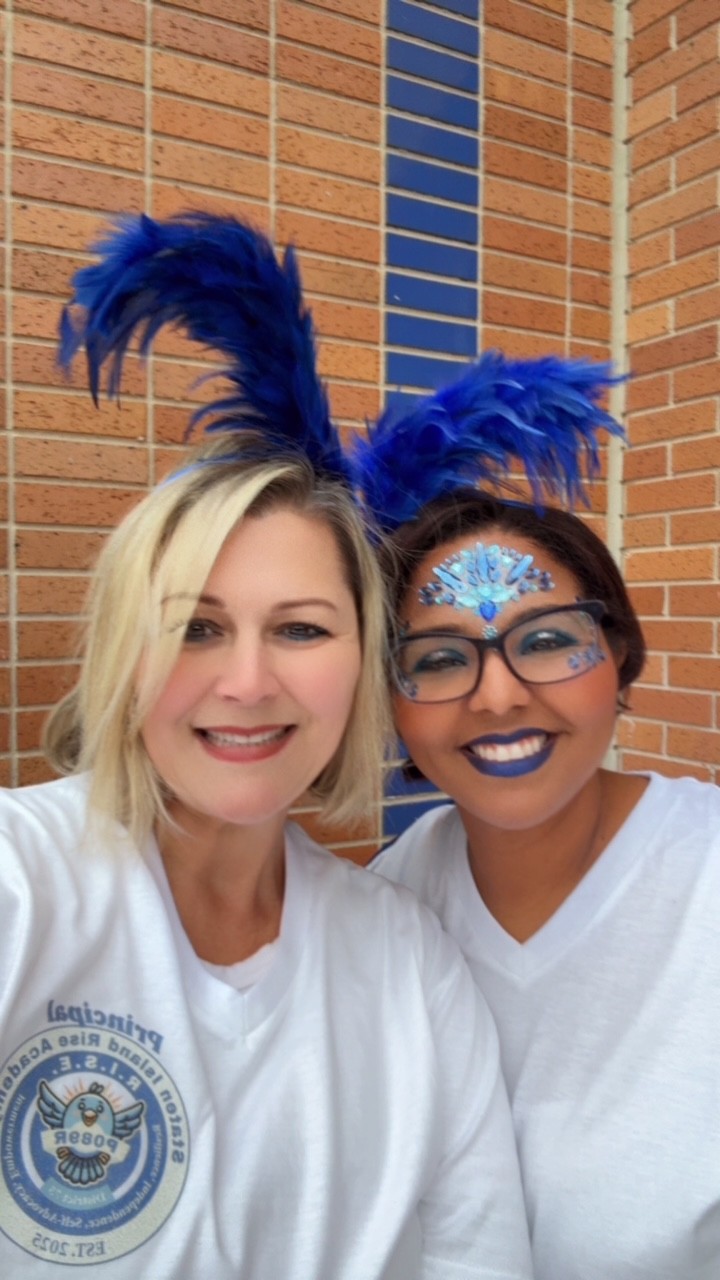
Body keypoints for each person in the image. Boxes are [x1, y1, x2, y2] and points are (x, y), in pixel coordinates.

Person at [0, 216, 533, 1278]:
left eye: (301, 626)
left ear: (363, 661)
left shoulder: (410, 959)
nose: (247, 681)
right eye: (194, 624)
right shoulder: (21, 884)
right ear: (122, 651)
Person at [363, 354, 720, 1280]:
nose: (497, 697)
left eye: (549, 642)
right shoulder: (382, 911)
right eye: (440, 659)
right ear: (392, 700)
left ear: (621, 656)